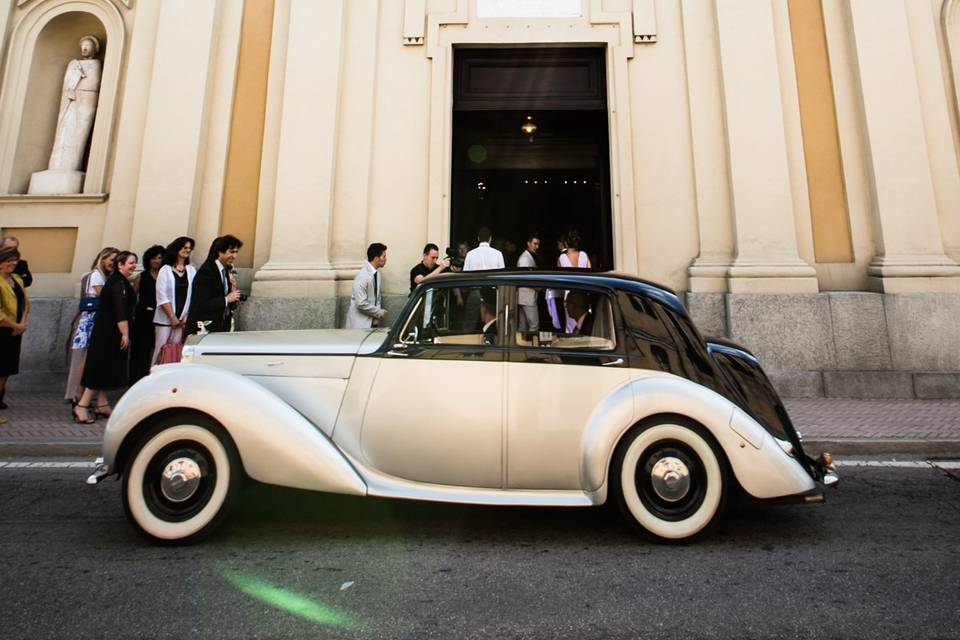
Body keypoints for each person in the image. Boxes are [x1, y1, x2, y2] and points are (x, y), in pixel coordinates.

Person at [74, 251, 138, 424]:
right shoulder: (118, 282)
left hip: (108, 331)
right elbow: (120, 310)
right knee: (99, 368)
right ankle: (82, 405)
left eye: (134, 263)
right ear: (120, 265)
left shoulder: (119, 281)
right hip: (109, 332)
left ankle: (102, 405)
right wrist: (124, 332)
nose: (133, 266)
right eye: (130, 263)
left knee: (104, 368)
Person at [65, 246, 117, 405]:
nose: (113, 263)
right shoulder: (96, 276)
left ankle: (81, 393)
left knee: (88, 357)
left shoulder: (104, 277)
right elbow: (105, 297)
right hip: (90, 320)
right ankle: (76, 393)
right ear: (103, 259)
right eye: (111, 259)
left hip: (95, 319)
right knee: (83, 357)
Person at [186, 235, 243, 335]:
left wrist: (233, 296)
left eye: (236, 252)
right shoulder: (207, 271)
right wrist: (227, 299)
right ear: (220, 251)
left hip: (220, 328)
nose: (235, 256)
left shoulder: (225, 271)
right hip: (204, 329)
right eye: (231, 252)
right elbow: (201, 303)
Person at [153, 236, 197, 360]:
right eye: (185, 247)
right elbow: (162, 296)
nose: (187, 250)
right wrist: (172, 317)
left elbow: (194, 294)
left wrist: (186, 316)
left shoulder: (191, 270)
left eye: (189, 248)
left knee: (175, 353)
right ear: (177, 249)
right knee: (160, 352)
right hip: (165, 320)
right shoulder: (165, 270)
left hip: (182, 320)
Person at [0, 246, 29, 421]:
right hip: (3, 330)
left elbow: (25, 303)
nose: (13, 263)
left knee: (6, 370)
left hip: (15, 331)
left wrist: (22, 324)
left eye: (15, 259)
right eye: (9, 260)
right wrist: (14, 326)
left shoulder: (17, 279)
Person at [128, 244, 164, 384]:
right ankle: (135, 380)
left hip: (160, 316)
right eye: (153, 258)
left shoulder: (165, 276)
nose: (156, 261)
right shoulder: (141, 277)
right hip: (143, 317)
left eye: (160, 258)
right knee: (139, 350)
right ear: (148, 260)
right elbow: (133, 297)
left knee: (157, 348)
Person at [346, 243, 387, 329]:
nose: (386, 259)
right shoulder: (363, 275)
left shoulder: (377, 274)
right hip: (359, 324)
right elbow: (361, 303)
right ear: (376, 258)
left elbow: (377, 298)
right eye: (384, 256)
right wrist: (378, 312)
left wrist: (376, 317)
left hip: (371, 324)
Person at [558, 230, 592, 333]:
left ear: (566, 243)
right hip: (583, 295)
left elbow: (559, 280)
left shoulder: (562, 258)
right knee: (586, 324)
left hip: (570, 298)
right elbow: (591, 276)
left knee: (570, 327)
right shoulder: (584, 255)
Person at [516, 231, 540, 333]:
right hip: (527, 298)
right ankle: (532, 348)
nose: (537, 246)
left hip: (524, 297)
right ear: (528, 243)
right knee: (534, 325)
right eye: (535, 243)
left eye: (538, 244)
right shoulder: (525, 259)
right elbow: (526, 279)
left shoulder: (527, 257)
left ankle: (522, 347)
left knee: (523, 327)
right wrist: (539, 287)